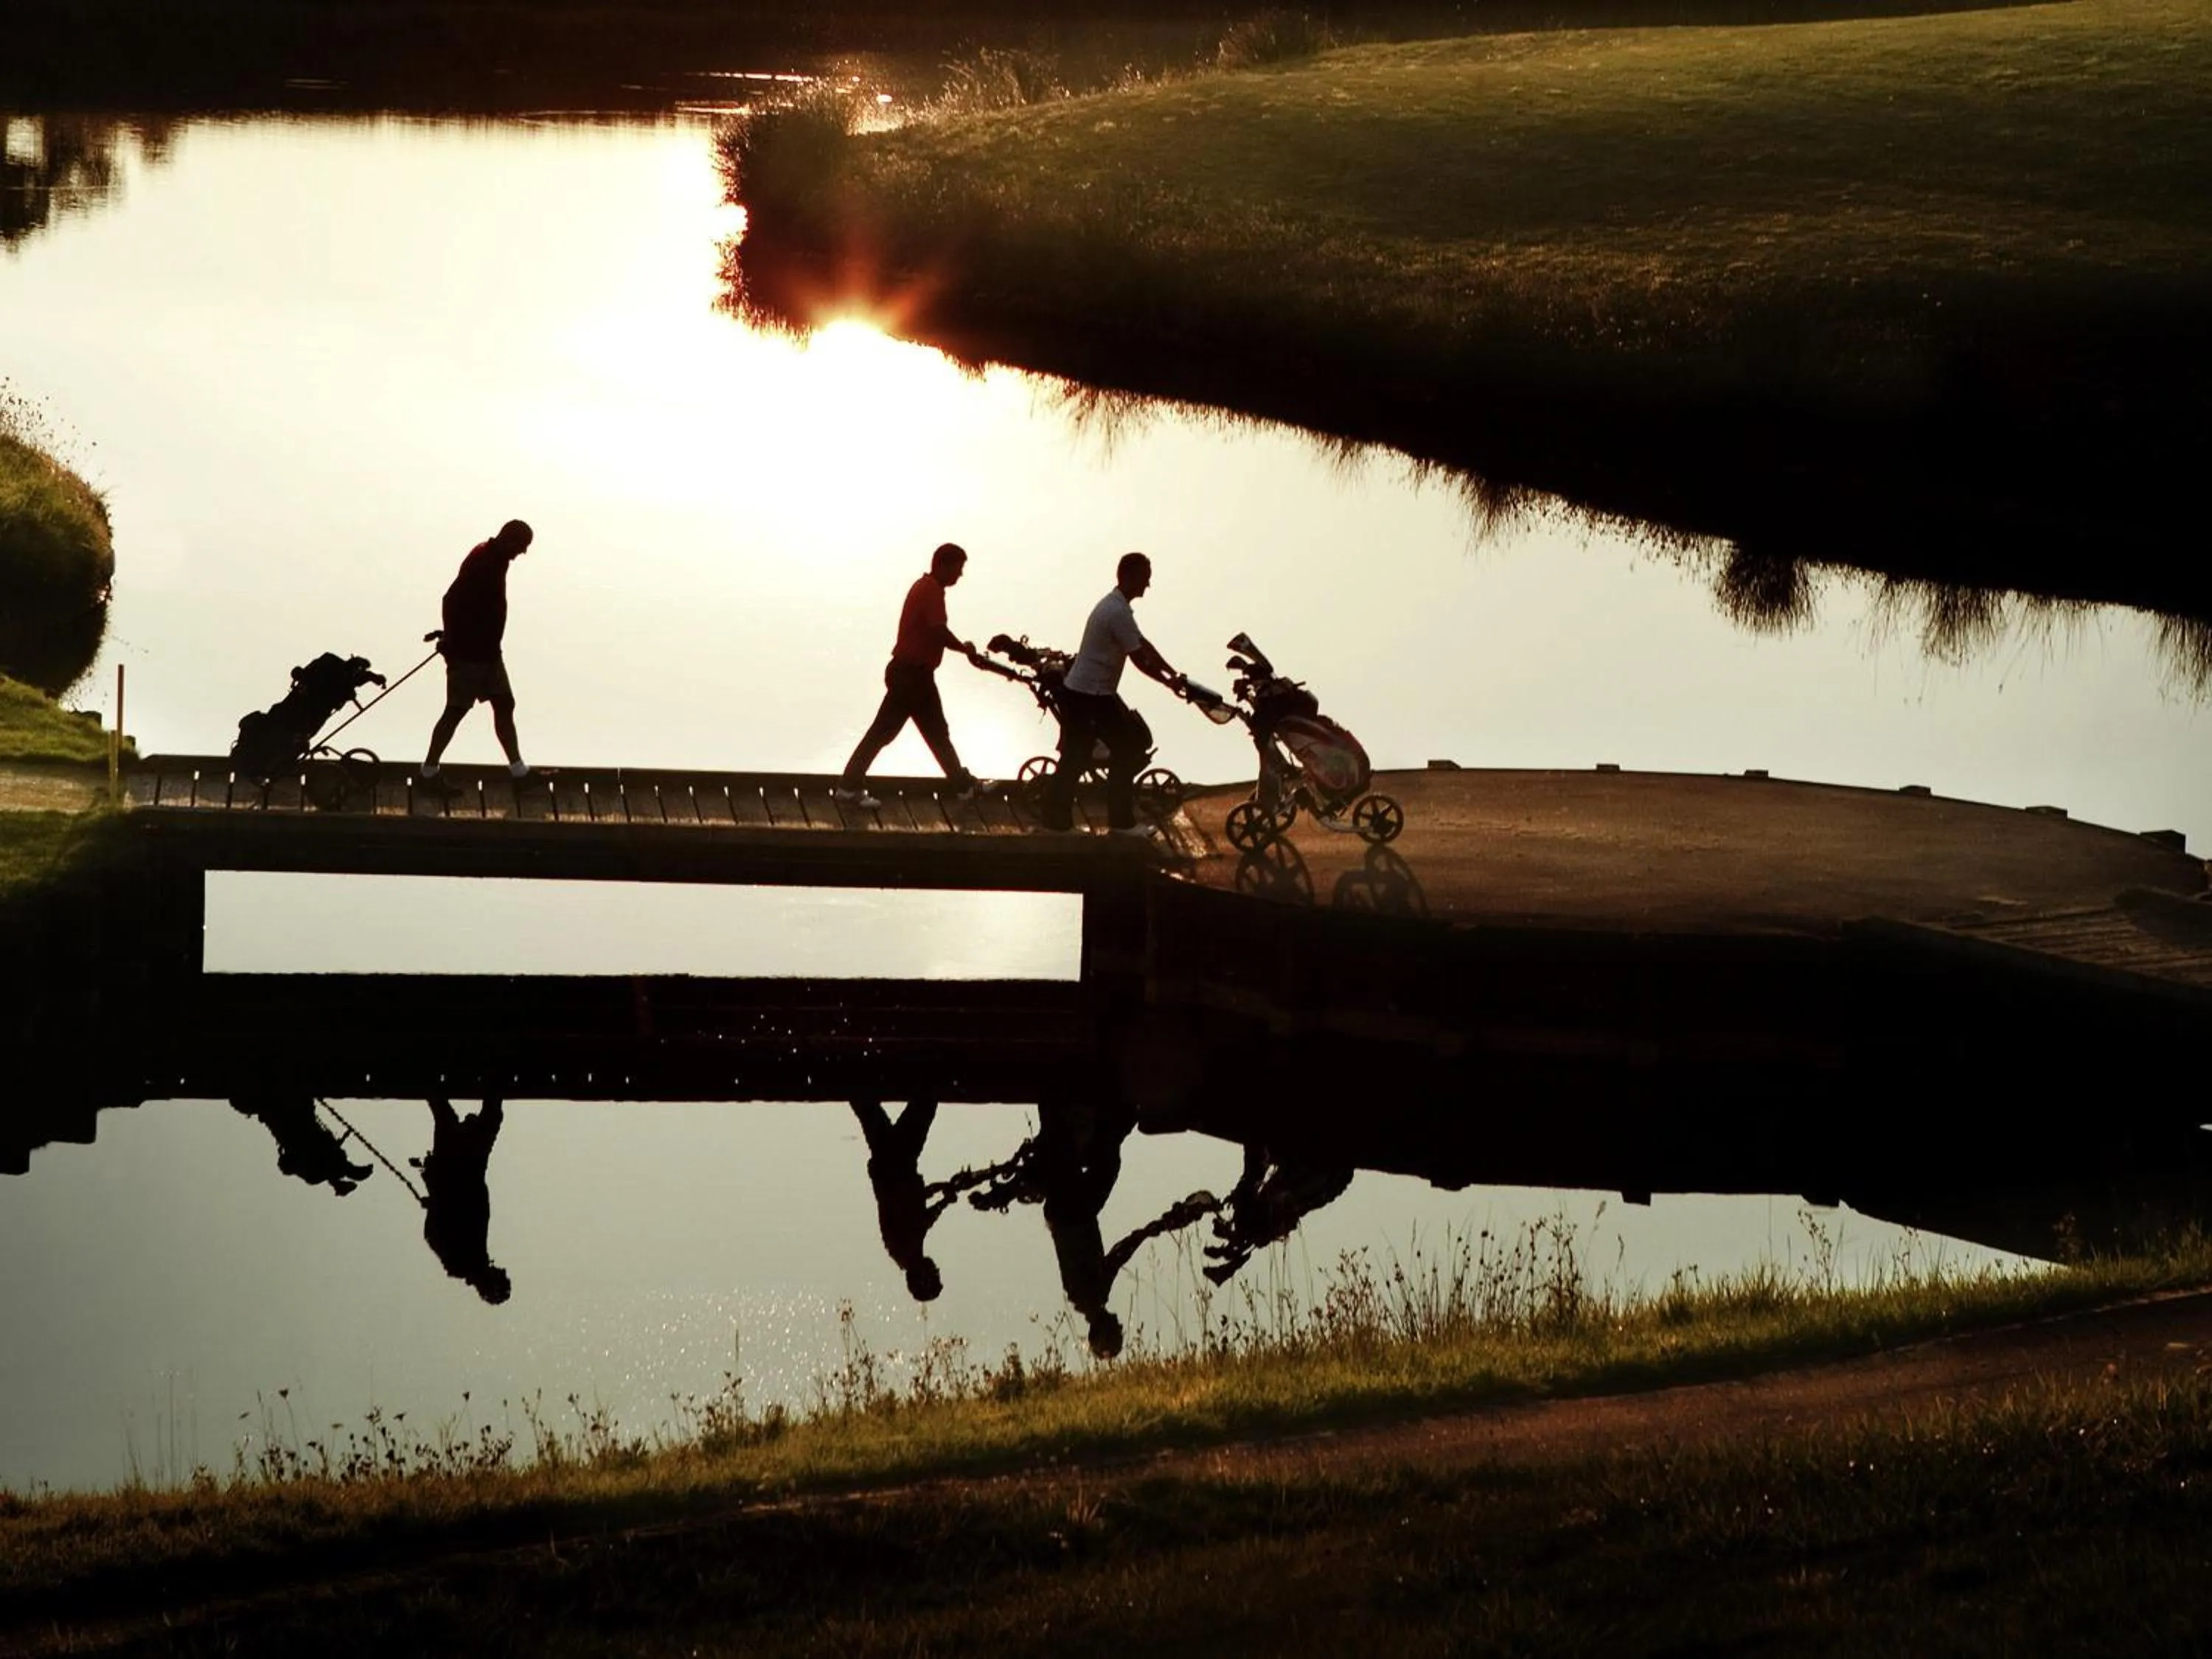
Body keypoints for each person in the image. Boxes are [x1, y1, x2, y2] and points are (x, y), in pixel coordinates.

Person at [1041, 552, 1186, 835]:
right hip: (1089, 695)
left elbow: (1143, 645)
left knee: (1080, 755)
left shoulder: (1118, 608)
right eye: (1145, 578)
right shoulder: (1116, 612)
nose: (1147, 585)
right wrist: (1168, 683)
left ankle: (1057, 821)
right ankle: (1118, 823)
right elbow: (1138, 659)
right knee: (1123, 751)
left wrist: (1172, 671)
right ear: (1130, 577)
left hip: (1090, 693)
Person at [832, 542, 984, 811]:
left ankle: (963, 786)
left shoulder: (927, 587)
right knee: (885, 733)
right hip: (910, 677)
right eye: (958, 569)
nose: (960, 576)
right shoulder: (931, 591)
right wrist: (964, 649)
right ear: (942, 565)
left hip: (915, 676)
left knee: (934, 732)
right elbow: (938, 631)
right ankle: (847, 787)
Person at [420, 519, 533, 790]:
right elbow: (451, 600)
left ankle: (519, 772)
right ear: (508, 540)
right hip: (468, 655)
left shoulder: (498, 559)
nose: (523, 553)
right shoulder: (482, 561)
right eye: (521, 546)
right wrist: (450, 637)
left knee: (505, 705)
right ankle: (429, 773)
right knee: (455, 712)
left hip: (489, 654)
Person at [850, 1099, 953, 1301]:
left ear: (922, 1276)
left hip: (897, 1162)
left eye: (934, 1274)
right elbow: (916, 1209)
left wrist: (943, 1201)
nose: (937, 1269)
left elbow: (920, 1218)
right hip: (893, 1164)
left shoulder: (906, 1248)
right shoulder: (905, 1253)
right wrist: (942, 1196)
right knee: (868, 1108)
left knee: (924, 1105)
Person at [420, 1096, 511, 1304]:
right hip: (462, 1172)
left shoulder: (460, 1262)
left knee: (464, 1117)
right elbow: (432, 1234)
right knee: (448, 1115)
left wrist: (436, 1207)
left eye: (499, 1275)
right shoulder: (469, 1260)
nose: (500, 1269)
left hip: (459, 1171)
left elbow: (433, 1233)